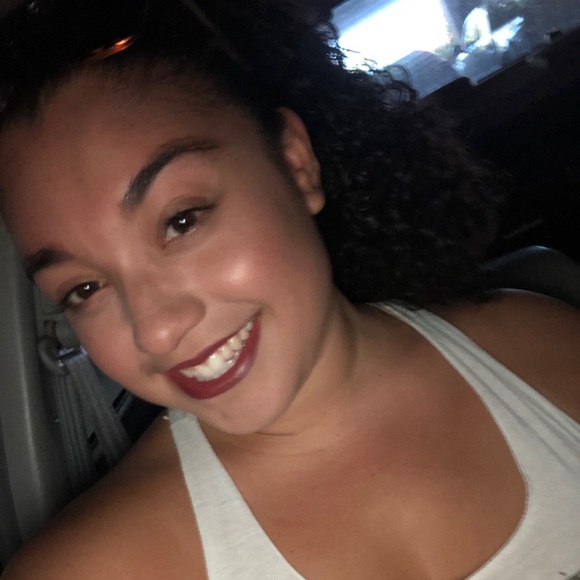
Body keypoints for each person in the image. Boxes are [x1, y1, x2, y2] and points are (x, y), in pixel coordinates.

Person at [0, 0, 579, 578]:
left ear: (296, 165)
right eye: (84, 288)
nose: (155, 330)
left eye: (181, 220)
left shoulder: (541, 345)